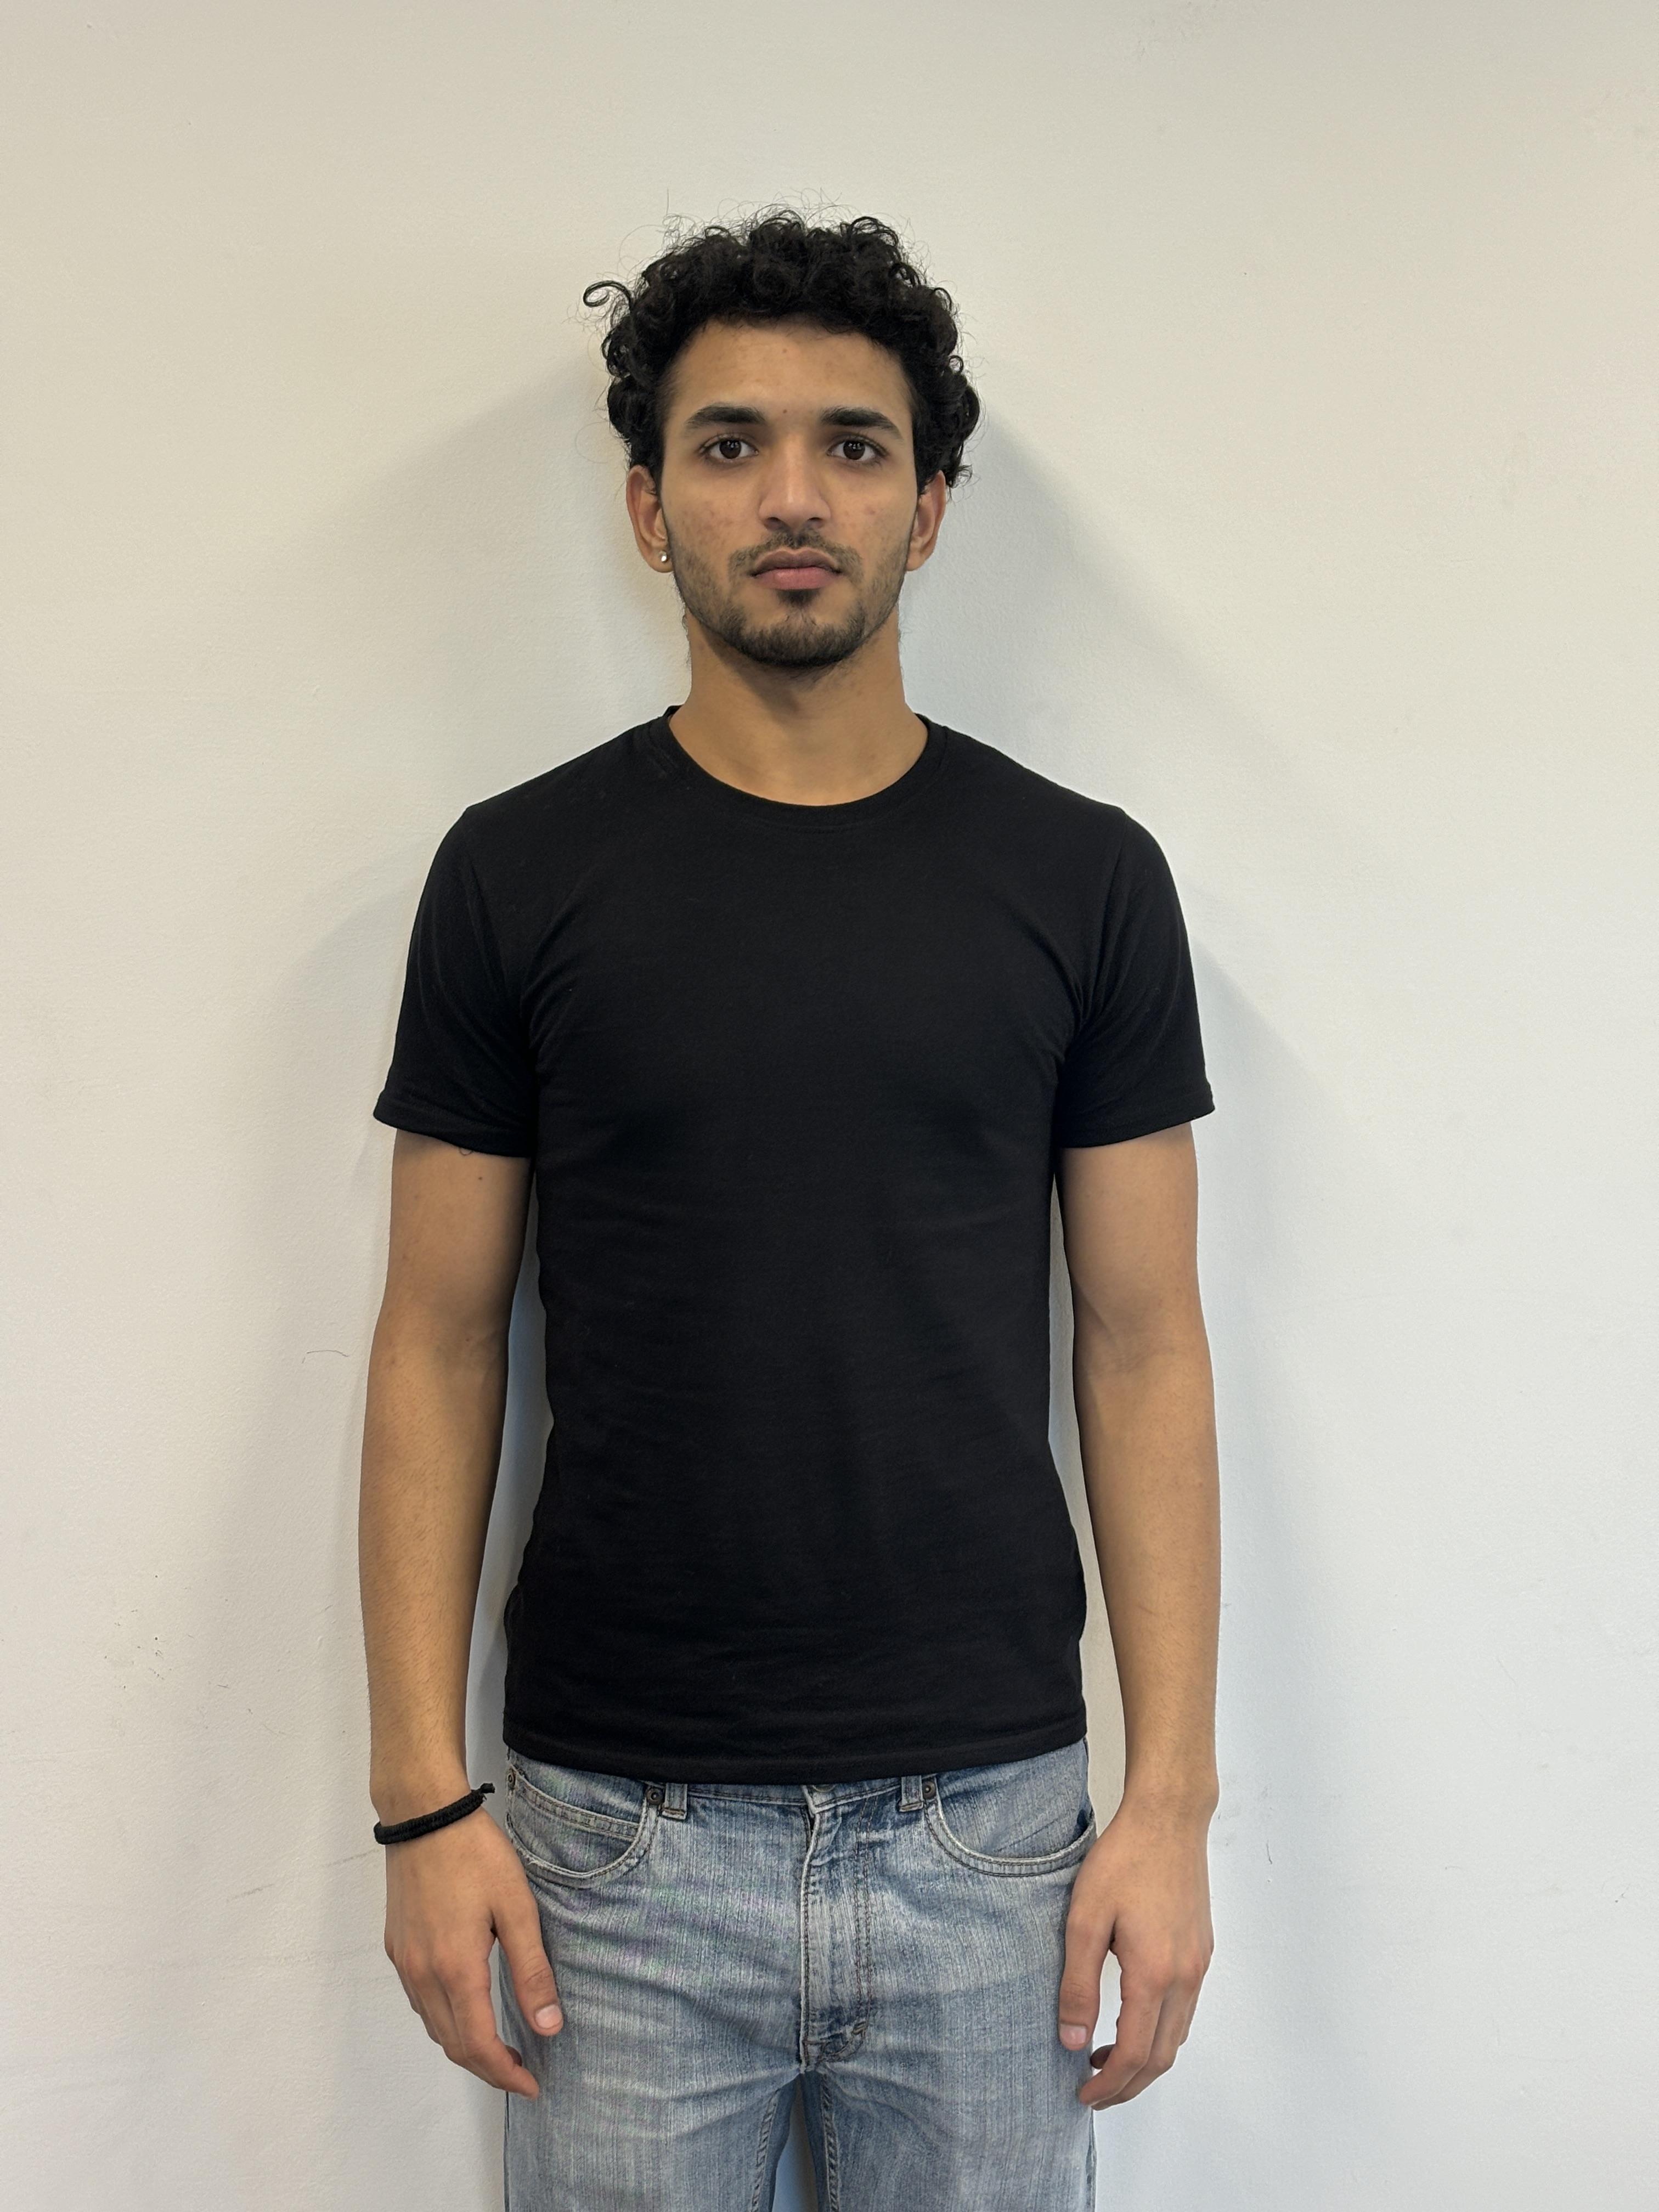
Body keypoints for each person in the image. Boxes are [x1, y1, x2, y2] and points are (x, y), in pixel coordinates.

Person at [359, 210, 1221, 2212]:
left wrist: (1170, 1802)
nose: (795, 496)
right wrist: (420, 1805)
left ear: (929, 505)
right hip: (612, 1849)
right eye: (730, 444)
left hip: (994, 1836)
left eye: (854, 443)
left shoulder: (1085, 881)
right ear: (648, 507)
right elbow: (437, 1338)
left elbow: (1142, 1343)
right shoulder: (515, 875)